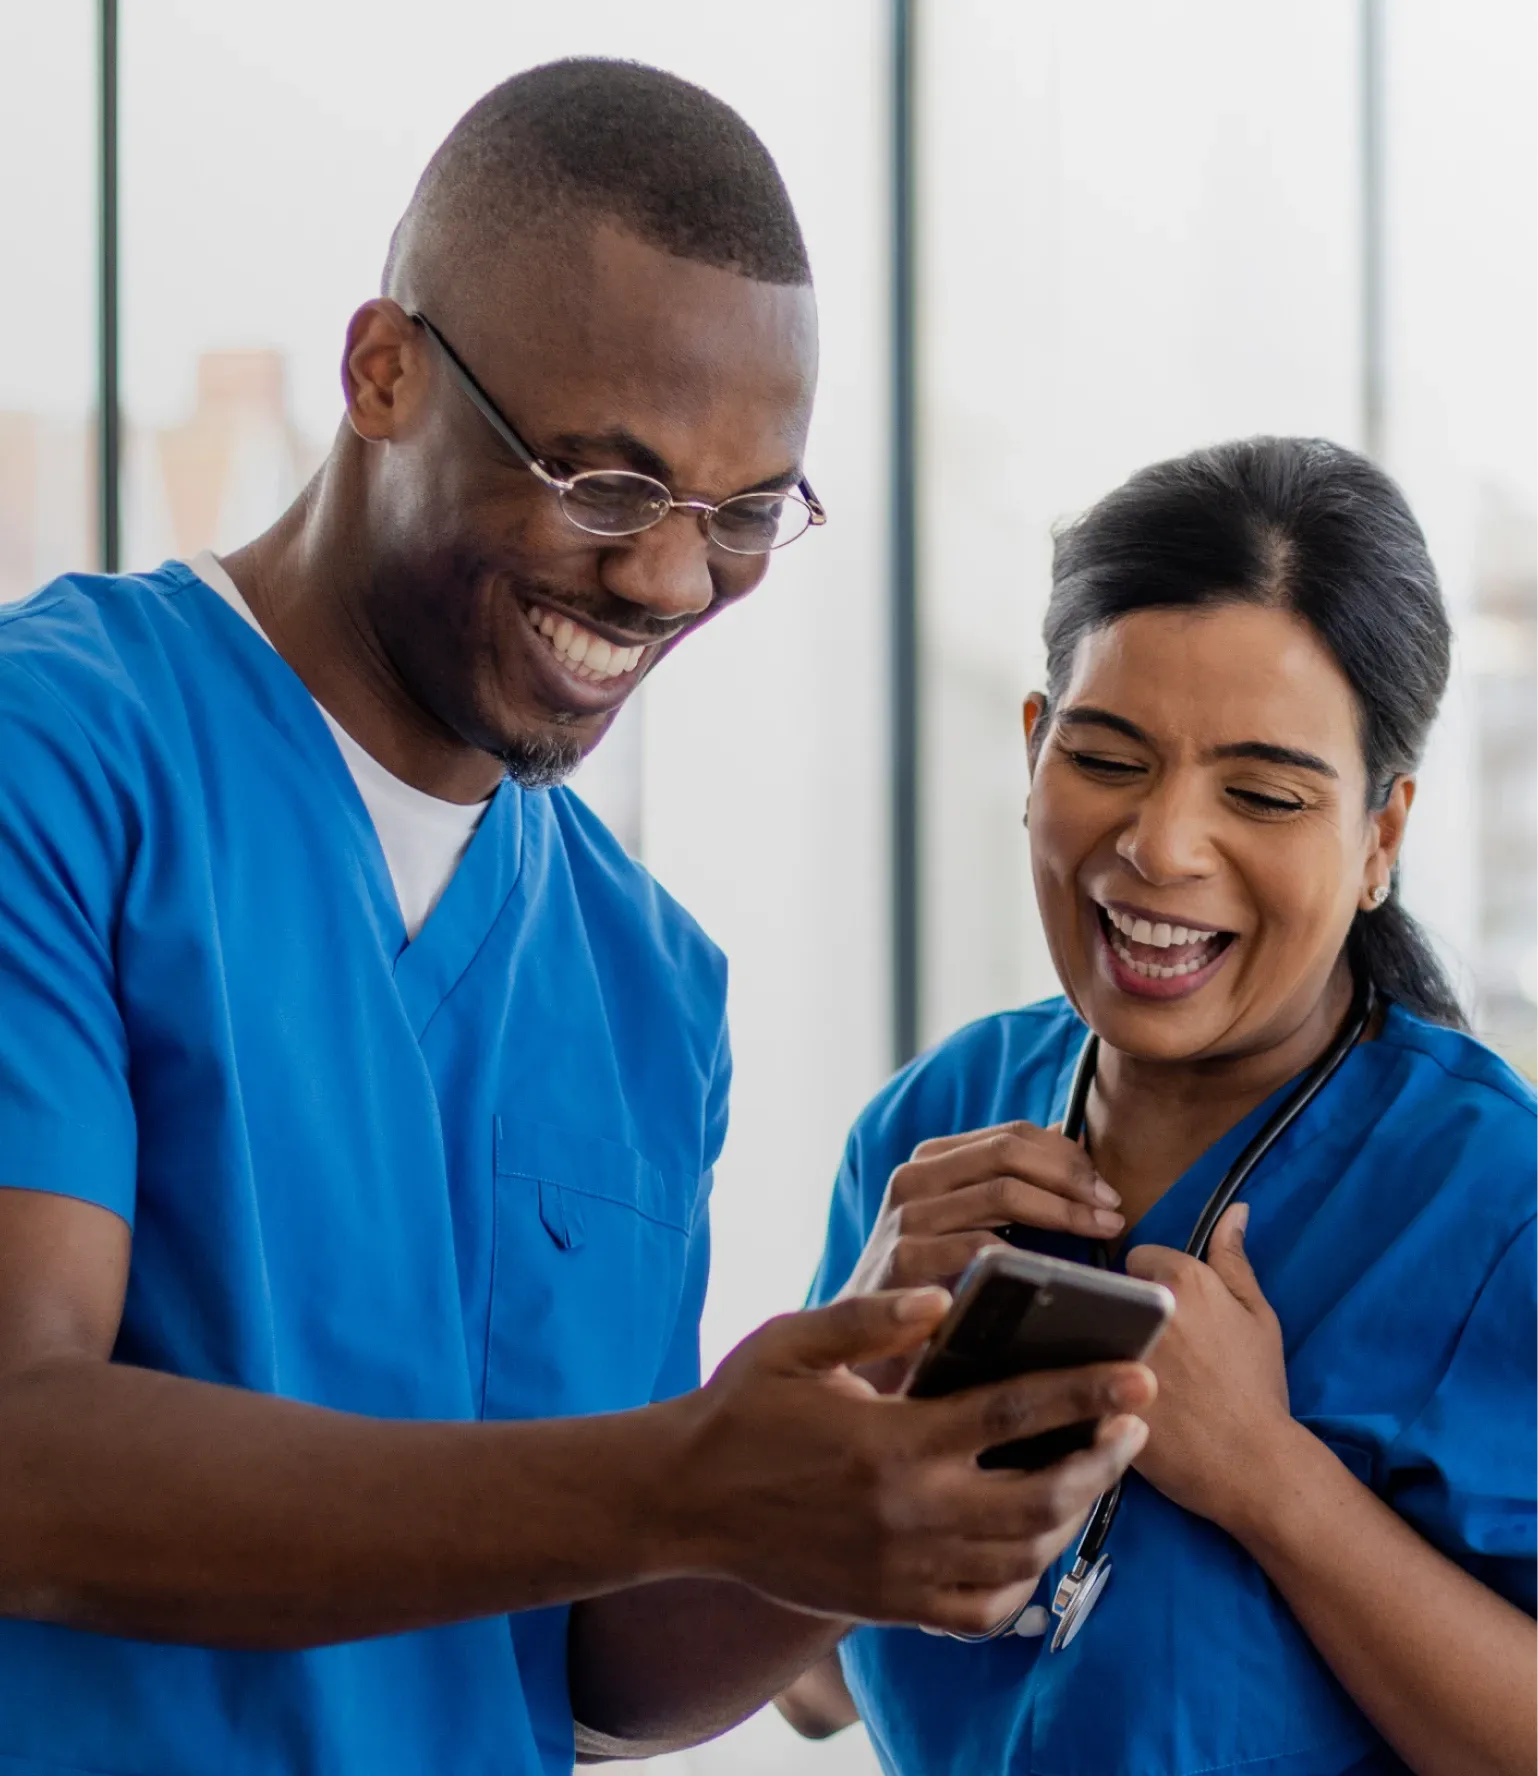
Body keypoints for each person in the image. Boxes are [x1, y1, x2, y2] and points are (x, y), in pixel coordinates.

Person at [0, 60, 1154, 1776]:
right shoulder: (63, 758)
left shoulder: (646, 979)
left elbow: (596, 1678)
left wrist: (844, 1498)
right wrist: (677, 1472)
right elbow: (26, 1460)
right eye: (604, 485)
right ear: (380, 371)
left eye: (747, 513)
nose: (672, 579)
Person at [780, 437, 1538, 1776]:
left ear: (1378, 837)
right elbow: (807, 1691)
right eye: (1107, 757)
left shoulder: (1486, 1208)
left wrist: (1269, 1481)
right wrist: (865, 1388)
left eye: (1260, 793)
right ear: (1031, 750)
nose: (1160, 846)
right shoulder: (932, 1127)